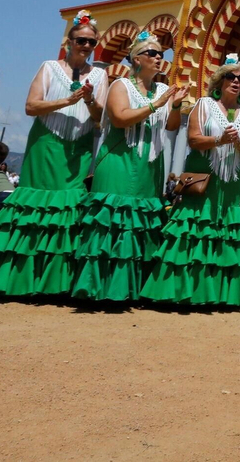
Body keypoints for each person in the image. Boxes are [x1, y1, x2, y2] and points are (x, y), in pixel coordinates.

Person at [0, 12, 108, 297]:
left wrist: (90, 99)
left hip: (77, 149)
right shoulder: (49, 67)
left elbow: (100, 117)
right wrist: (66, 101)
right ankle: (19, 278)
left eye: (91, 42)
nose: (86, 46)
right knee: (36, 209)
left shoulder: (100, 75)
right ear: (69, 42)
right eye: (81, 40)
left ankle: (57, 282)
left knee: (68, 211)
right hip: (45, 143)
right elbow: (31, 106)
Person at [72, 31, 187, 302]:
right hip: (119, 159)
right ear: (136, 59)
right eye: (153, 53)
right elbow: (121, 118)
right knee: (113, 220)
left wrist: (175, 106)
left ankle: (131, 289)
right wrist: (155, 104)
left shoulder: (162, 89)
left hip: (149, 164)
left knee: (140, 224)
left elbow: (171, 127)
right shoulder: (120, 86)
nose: (159, 58)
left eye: (162, 54)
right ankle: (97, 288)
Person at [141, 53, 240, 307]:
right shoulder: (203, 104)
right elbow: (193, 139)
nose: (236, 82)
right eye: (230, 77)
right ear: (219, 81)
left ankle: (218, 295)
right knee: (194, 229)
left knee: (224, 233)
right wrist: (219, 140)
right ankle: (180, 291)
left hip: (231, 181)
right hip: (204, 177)